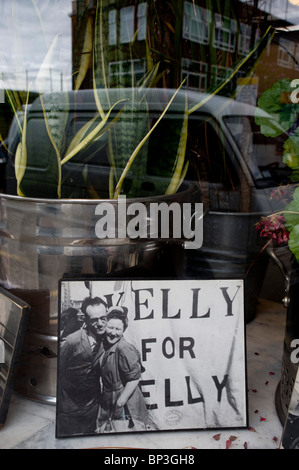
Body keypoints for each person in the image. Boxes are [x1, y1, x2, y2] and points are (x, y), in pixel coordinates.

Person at [96, 306, 157, 433]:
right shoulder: (106, 346)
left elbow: (134, 378)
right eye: (110, 327)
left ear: (123, 330)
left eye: (118, 329)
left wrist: (120, 402)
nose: (113, 333)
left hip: (125, 403)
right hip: (110, 400)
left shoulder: (123, 348)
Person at [56, 296, 108, 437]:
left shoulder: (107, 340)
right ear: (85, 320)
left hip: (92, 410)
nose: (100, 324)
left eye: (103, 318)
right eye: (94, 320)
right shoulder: (71, 342)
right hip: (69, 412)